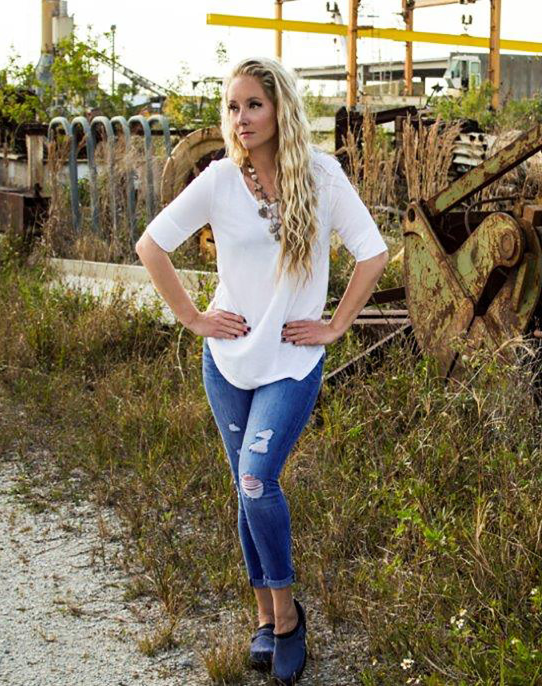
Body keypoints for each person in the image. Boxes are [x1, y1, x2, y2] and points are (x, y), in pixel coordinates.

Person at [135, 57, 388, 685]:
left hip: (291, 361)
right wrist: (194, 318)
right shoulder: (220, 180)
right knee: (244, 489)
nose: (241, 118)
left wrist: (335, 326)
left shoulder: (322, 178)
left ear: (279, 109)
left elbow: (373, 252)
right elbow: (151, 245)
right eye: (232, 107)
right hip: (226, 361)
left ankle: (287, 619)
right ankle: (264, 618)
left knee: (255, 479)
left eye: (253, 104)